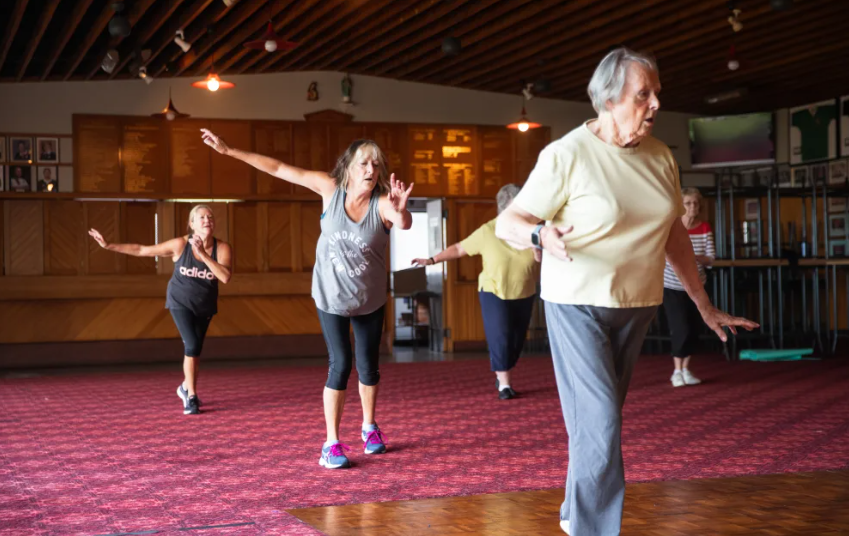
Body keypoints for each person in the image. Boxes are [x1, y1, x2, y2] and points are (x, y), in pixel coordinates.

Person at [495, 47, 757, 535]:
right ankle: (594, 529)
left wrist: (703, 303)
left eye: (657, 92)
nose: (656, 102)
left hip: (636, 306)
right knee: (600, 423)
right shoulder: (567, 154)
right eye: (644, 93)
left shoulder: (660, 158)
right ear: (609, 100)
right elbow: (509, 221)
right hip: (575, 303)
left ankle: (575, 515)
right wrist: (540, 235)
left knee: (596, 423)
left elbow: (673, 234)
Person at [200, 128, 413, 470]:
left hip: (370, 299)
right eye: (363, 163)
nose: (370, 169)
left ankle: (369, 427)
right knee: (341, 364)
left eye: (376, 163)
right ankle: (331, 443)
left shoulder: (384, 203)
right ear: (349, 167)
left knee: (369, 366)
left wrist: (402, 211)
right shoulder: (330, 189)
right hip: (330, 296)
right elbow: (279, 168)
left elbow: (403, 223)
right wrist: (229, 151)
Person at [88, 205, 231, 415]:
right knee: (191, 346)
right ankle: (191, 396)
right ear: (191, 224)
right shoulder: (180, 244)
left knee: (195, 351)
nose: (206, 220)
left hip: (205, 304)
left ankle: (184, 387)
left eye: (210, 216)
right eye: (200, 217)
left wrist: (202, 253)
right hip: (179, 302)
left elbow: (225, 277)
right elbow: (142, 250)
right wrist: (109, 245)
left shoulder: (223, 248)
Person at [412, 184, 540, 400]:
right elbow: (460, 248)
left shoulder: (532, 231)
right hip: (493, 291)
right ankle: (505, 385)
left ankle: (503, 373)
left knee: (517, 340)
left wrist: (539, 252)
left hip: (524, 292)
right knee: (501, 336)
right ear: (504, 211)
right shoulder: (488, 231)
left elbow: (544, 259)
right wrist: (432, 259)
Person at [663, 187, 715, 387]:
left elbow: (711, 258)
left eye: (695, 203)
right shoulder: (671, 227)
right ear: (680, 206)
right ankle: (676, 371)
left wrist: (694, 257)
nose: (692, 206)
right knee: (680, 328)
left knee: (693, 328)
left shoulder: (704, 228)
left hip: (698, 285)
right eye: (688, 203)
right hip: (672, 285)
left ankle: (686, 368)